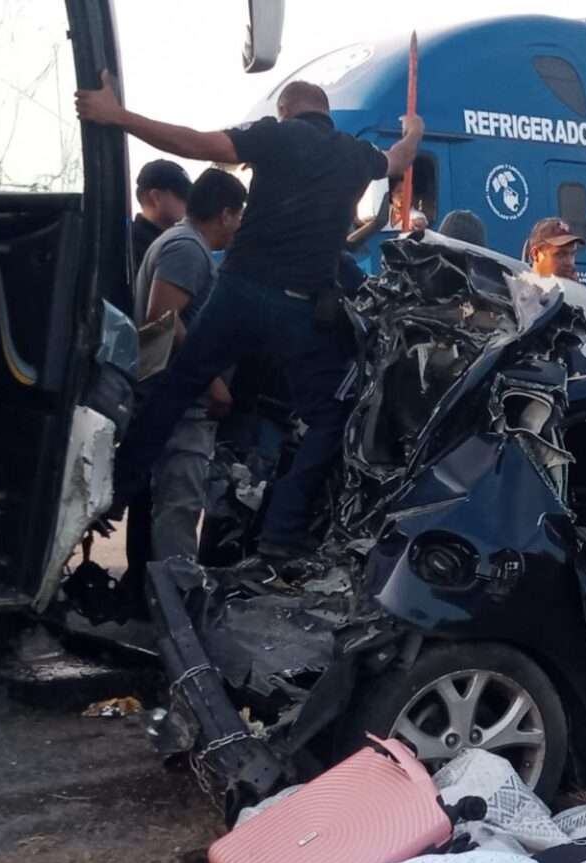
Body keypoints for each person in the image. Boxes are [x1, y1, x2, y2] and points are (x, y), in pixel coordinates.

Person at [76, 73, 423, 560]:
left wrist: (117, 117)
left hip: (239, 293)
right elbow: (399, 159)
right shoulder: (354, 153)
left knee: (176, 389)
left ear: (286, 109)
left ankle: (115, 495)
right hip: (301, 309)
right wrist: (414, 129)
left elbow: (194, 143)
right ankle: (281, 534)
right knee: (329, 417)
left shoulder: (274, 135)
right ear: (323, 112)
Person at [130, 168, 247, 568]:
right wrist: (214, 383)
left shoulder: (180, 243)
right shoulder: (187, 248)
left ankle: (156, 603)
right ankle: (175, 617)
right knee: (178, 512)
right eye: (239, 214)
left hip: (178, 401)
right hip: (184, 406)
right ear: (226, 214)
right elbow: (162, 315)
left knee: (166, 509)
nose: (239, 225)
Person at [131, 159, 192, 275]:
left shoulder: (132, 239)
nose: (189, 204)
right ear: (156, 197)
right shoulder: (134, 246)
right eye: (183, 195)